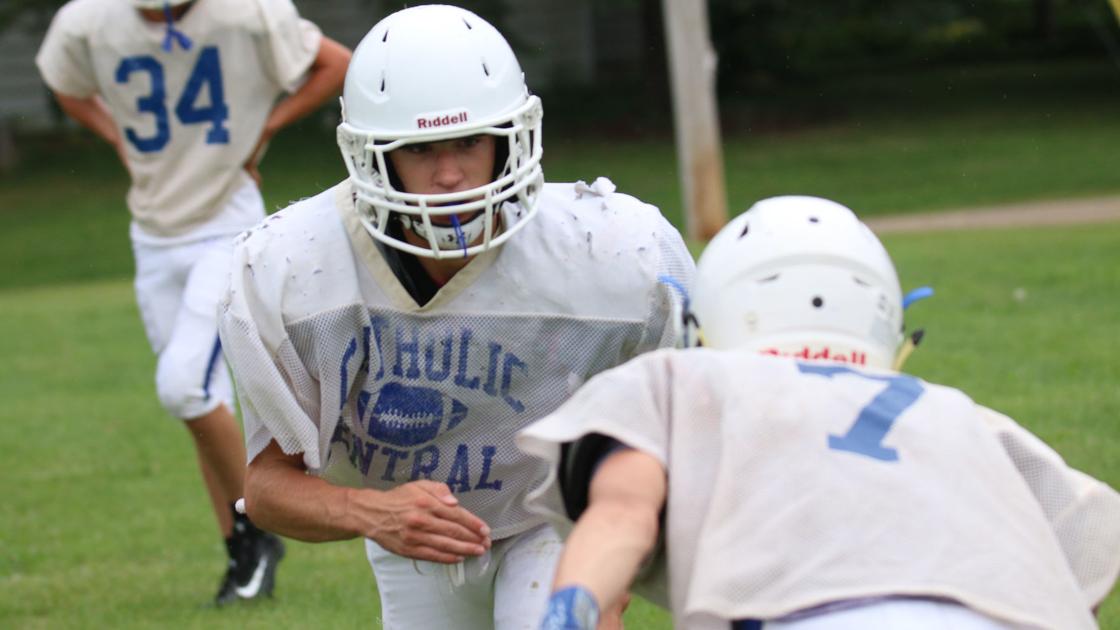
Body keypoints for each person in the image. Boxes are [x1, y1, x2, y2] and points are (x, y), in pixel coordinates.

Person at [216, 4, 694, 628]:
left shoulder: (616, 254)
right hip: (416, 535)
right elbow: (267, 489)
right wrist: (373, 513)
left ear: (508, 139)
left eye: (469, 142)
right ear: (374, 158)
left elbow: (688, 429)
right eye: (420, 149)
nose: (449, 175)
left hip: (559, 518)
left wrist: (618, 537)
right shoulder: (297, 270)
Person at [518, 196, 1120, 630]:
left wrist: (569, 610)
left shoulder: (683, 378)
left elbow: (623, 514)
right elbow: (1090, 549)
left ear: (712, 316)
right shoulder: (964, 417)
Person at [35, 0, 350, 605]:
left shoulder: (244, 12)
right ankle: (244, 554)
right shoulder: (89, 21)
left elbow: (337, 64)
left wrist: (264, 127)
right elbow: (63, 83)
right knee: (200, 405)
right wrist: (116, 136)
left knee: (184, 385)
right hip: (152, 235)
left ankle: (259, 524)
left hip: (225, 228)